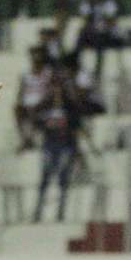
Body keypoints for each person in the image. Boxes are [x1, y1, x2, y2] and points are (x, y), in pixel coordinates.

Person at [32, 72, 82, 223]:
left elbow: (75, 126)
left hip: (65, 145)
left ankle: (60, 211)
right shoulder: (44, 105)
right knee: (45, 178)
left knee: (62, 179)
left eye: (59, 86)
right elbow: (36, 122)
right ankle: (38, 211)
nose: (57, 90)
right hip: (49, 144)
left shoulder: (70, 106)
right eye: (54, 86)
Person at [75, 0, 123, 79]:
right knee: (81, 35)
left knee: (100, 37)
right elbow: (85, 20)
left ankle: (98, 69)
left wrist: (102, 25)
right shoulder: (87, 3)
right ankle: (76, 64)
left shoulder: (109, 3)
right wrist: (92, 27)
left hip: (106, 34)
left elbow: (112, 21)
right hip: (92, 32)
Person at [16, 47, 53, 151]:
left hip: (42, 103)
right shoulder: (26, 74)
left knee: (34, 110)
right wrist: (19, 103)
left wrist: (43, 102)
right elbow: (21, 91)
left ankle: (29, 140)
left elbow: (50, 91)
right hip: (27, 103)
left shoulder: (48, 73)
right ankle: (25, 139)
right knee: (17, 110)